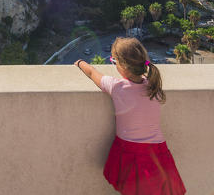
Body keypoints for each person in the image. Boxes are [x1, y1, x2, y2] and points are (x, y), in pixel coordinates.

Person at [74, 37, 186, 195]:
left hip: (131, 152)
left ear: (121, 66)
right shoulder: (153, 86)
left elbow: (92, 72)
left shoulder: (117, 87)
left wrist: (79, 63)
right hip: (157, 151)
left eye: (114, 61)